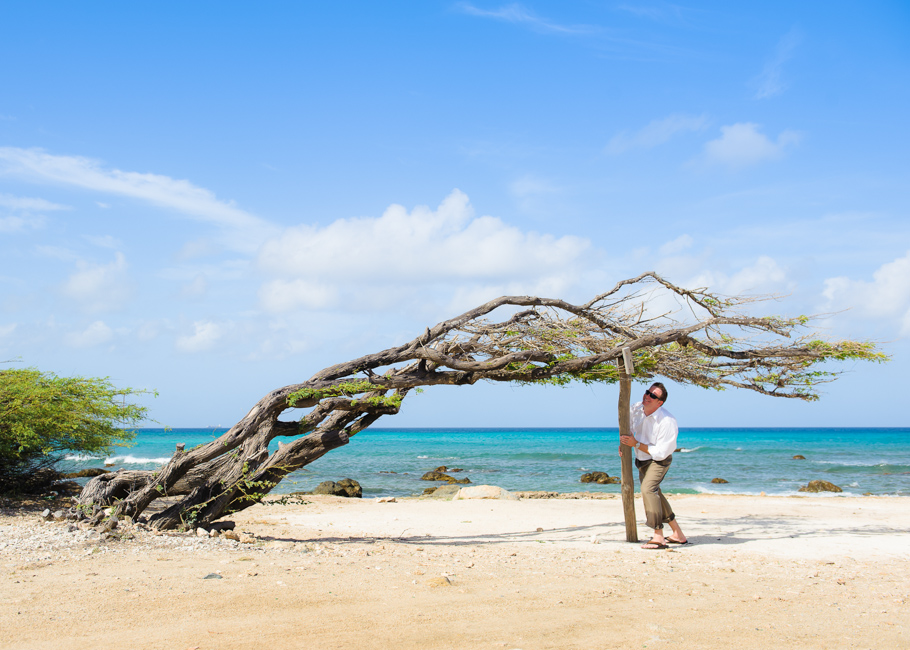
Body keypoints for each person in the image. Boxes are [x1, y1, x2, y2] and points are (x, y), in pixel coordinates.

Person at [619, 382, 688, 549]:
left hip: (659, 460)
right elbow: (627, 426)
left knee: (648, 490)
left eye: (653, 396)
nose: (647, 396)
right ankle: (678, 534)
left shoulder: (667, 421)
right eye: (647, 392)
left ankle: (658, 536)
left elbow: (662, 452)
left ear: (660, 402)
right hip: (641, 459)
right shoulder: (636, 408)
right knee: (656, 494)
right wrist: (625, 443)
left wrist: (635, 444)